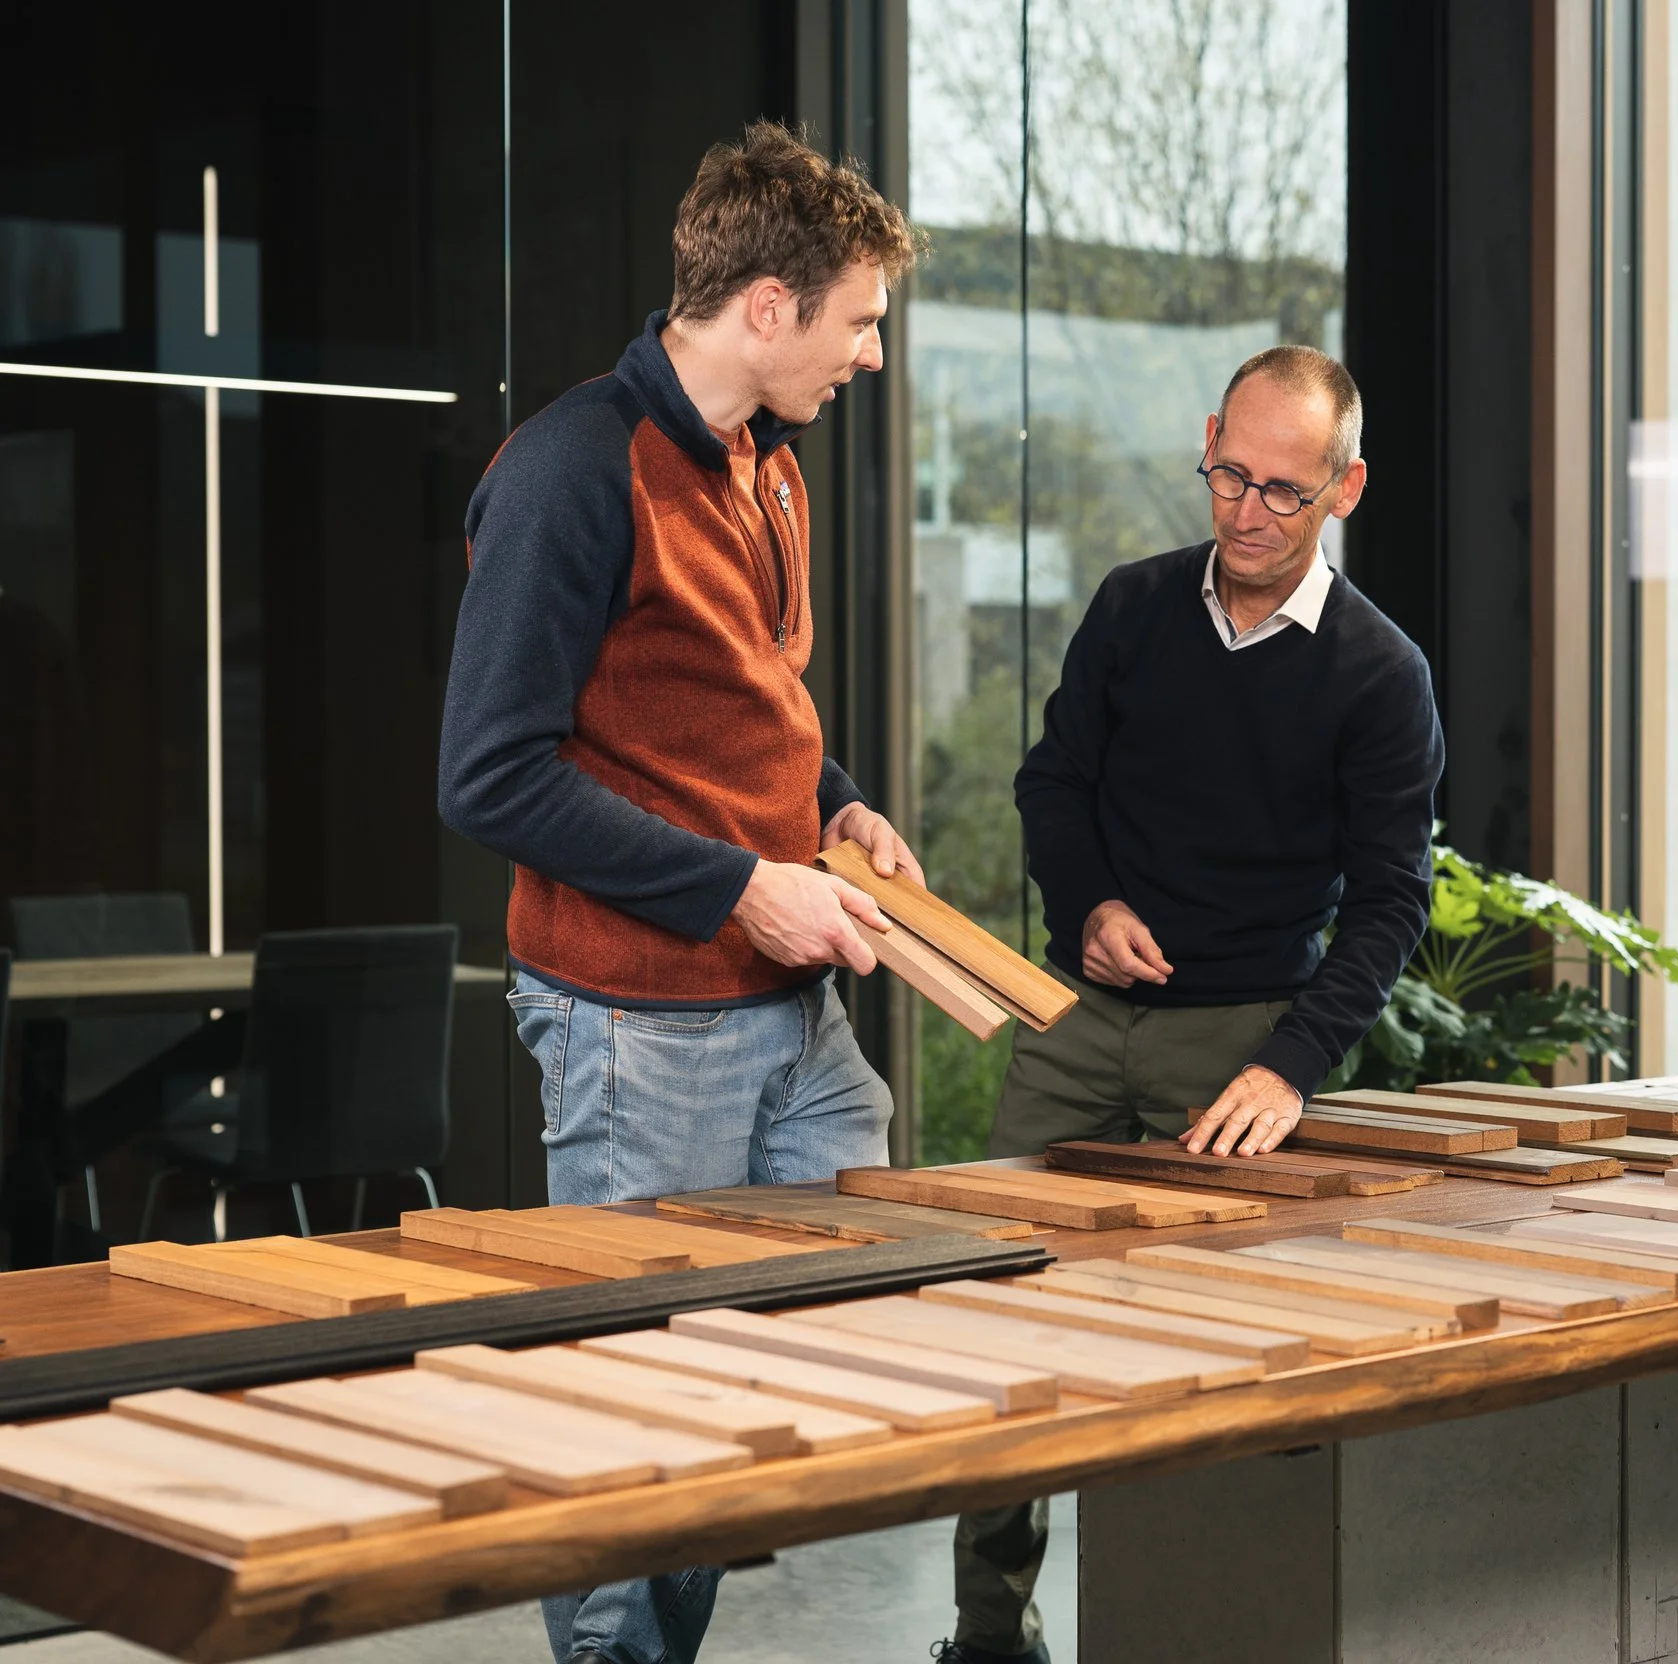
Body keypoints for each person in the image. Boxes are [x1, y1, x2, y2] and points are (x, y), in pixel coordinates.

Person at [439, 121, 922, 1664]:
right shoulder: (573, 471)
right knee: (635, 1399)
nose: (871, 355)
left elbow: (743, 703)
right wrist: (741, 891)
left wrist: (838, 809)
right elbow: (491, 779)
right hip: (638, 1026)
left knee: (773, 1373)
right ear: (768, 309)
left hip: (791, 1011)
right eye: (860, 321)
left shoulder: (766, 466)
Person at [935, 345, 1445, 1664]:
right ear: (1210, 441)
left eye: (1286, 491)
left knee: (1207, 1351)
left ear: (1346, 487)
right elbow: (1052, 786)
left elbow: (1393, 904)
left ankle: (1190, 1627)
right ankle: (990, 1634)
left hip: (1239, 1042)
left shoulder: (1380, 677)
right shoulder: (1133, 607)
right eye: (1232, 475)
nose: (1248, 514)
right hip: (1077, 1023)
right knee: (1003, 1319)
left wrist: (1289, 1068)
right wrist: (1092, 904)